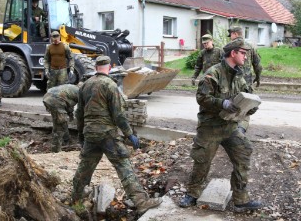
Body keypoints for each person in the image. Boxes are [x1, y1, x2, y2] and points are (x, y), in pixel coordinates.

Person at [72, 55, 162, 214]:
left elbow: (79, 113)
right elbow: (118, 114)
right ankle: (141, 202)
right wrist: (129, 134)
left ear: (95, 67)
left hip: (90, 134)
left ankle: (76, 198)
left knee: (85, 167)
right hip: (107, 134)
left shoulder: (85, 85)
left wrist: (81, 133)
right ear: (109, 67)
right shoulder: (110, 85)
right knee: (123, 166)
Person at [179, 39, 261, 213]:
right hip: (210, 127)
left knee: (244, 152)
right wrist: (222, 103)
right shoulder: (213, 72)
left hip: (230, 127)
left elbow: (246, 96)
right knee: (202, 160)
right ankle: (192, 194)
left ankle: (240, 200)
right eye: (243, 53)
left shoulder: (239, 76)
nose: (246, 57)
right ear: (233, 53)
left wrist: (250, 108)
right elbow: (201, 98)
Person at [228, 26, 262, 133]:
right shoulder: (251, 47)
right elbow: (258, 65)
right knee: (246, 109)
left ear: (235, 34)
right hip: (247, 84)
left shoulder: (229, 47)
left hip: (232, 84)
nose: (230, 38)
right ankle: (241, 129)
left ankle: (231, 130)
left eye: (231, 35)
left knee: (232, 105)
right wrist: (258, 77)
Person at [43, 84, 79, 152]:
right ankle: (56, 150)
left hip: (47, 97)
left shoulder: (72, 88)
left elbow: (69, 103)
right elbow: (80, 109)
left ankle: (66, 140)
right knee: (60, 125)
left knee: (59, 121)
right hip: (56, 100)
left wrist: (70, 114)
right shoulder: (80, 92)